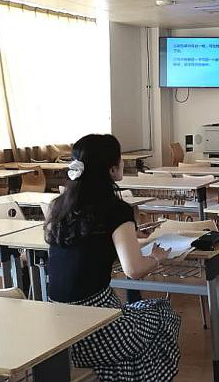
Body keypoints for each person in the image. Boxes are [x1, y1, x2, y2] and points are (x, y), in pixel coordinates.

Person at [45, 134, 180, 382]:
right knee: (164, 313)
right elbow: (134, 270)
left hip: (57, 329)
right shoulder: (116, 210)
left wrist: (127, 234)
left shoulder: (59, 206)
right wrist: (157, 257)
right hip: (97, 328)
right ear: (111, 169)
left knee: (137, 320)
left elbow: (87, 243)